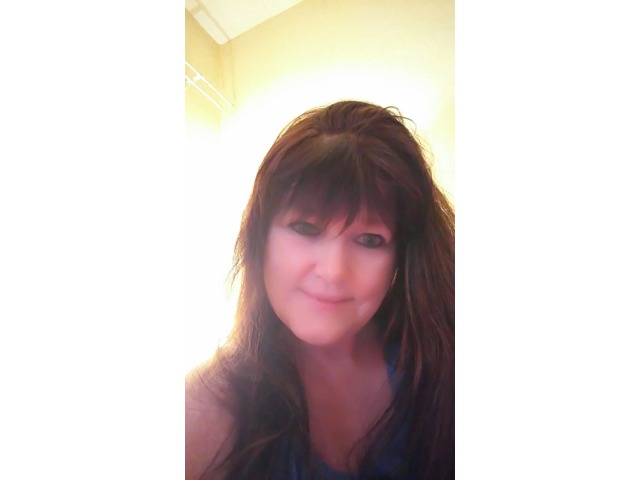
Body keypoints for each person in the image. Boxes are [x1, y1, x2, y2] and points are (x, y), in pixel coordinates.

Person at [185, 100, 455, 480]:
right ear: (261, 240)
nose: (334, 272)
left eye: (370, 240)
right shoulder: (205, 411)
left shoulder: (438, 365)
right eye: (305, 228)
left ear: (402, 258)